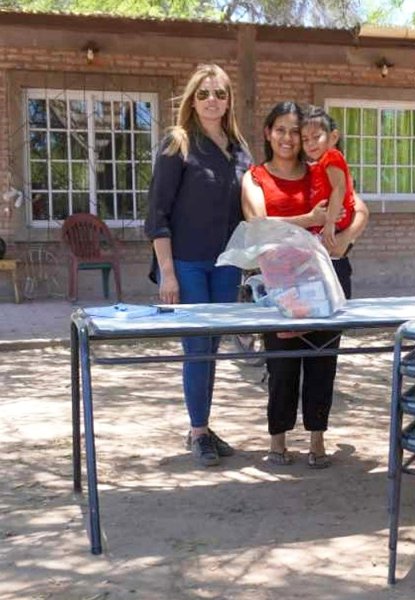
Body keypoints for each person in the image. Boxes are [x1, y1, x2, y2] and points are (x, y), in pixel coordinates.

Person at [241, 101, 369, 468]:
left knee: (322, 361)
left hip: (326, 279)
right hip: (279, 283)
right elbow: (259, 224)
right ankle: (277, 440)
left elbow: (360, 208)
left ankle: (317, 440)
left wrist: (345, 238)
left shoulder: (322, 167)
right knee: (282, 365)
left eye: (294, 131)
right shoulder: (255, 177)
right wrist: (309, 218)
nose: (287, 138)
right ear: (268, 133)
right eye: (279, 129)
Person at [145, 64, 252, 467]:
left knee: (212, 348)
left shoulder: (238, 148)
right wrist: (167, 272)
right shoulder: (179, 143)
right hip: (187, 264)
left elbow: (249, 209)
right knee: (196, 348)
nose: (212, 100)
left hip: (226, 264)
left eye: (220, 94)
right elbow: (157, 212)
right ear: (192, 98)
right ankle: (198, 431)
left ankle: (202, 425)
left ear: (228, 101)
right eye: (204, 93)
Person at [300, 105, 356, 249]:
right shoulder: (320, 162)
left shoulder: (332, 156)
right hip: (326, 222)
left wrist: (330, 222)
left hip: (334, 222)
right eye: (305, 139)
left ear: (333, 137)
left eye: (316, 137)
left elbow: (339, 187)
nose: (310, 143)